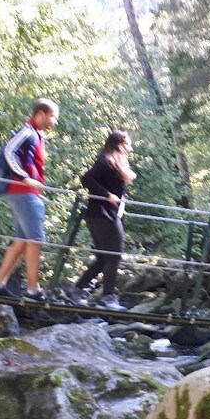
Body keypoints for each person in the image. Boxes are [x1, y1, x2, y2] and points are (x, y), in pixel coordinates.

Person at [0, 99, 59, 301]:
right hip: (21, 190)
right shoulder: (28, 132)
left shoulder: (36, 135)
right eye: (53, 116)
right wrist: (25, 178)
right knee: (35, 240)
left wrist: (34, 188)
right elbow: (9, 151)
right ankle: (33, 289)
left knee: (21, 241)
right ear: (41, 113)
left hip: (25, 192)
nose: (55, 121)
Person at [70, 130, 136, 311]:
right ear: (118, 144)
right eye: (127, 144)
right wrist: (107, 195)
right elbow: (87, 179)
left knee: (102, 258)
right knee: (114, 255)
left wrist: (121, 204)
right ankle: (107, 298)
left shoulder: (115, 162)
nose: (130, 148)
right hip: (102, 213)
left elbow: (118, 189)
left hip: (104, 214)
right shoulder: (106, 161)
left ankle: (76, 291)